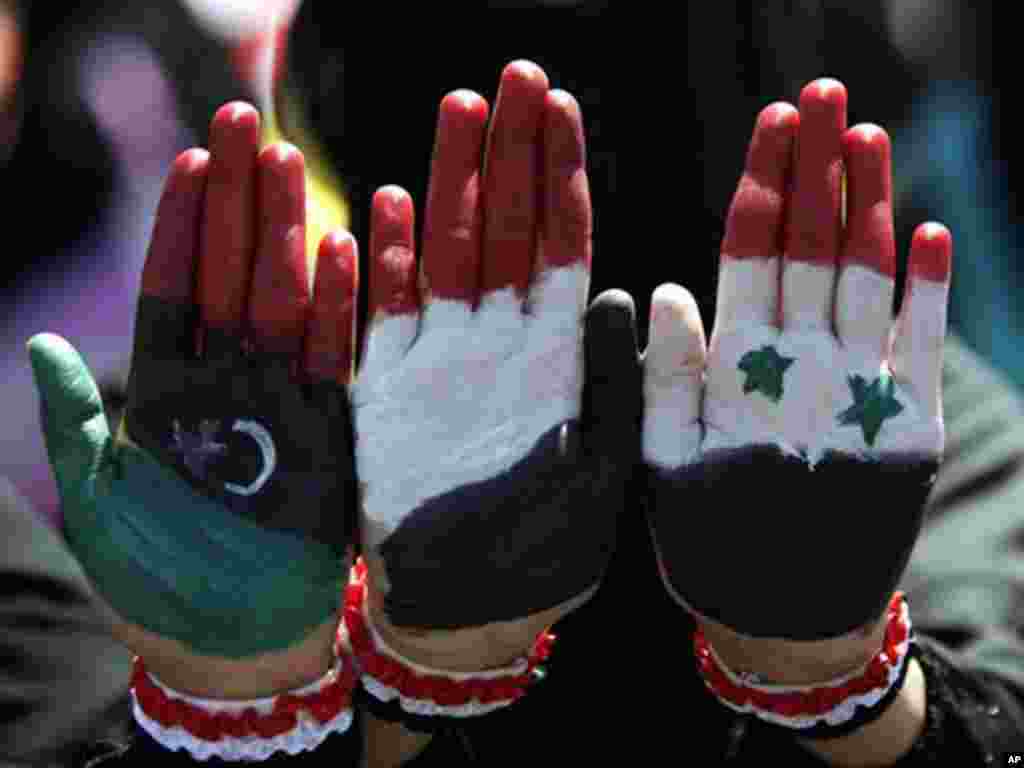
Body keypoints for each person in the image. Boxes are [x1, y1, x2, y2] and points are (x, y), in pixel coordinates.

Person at [12, 48, 1024, 768]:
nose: (546, 106)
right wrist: (243, 693)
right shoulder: (210, 459)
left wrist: (830, 672)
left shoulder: (884, 423)